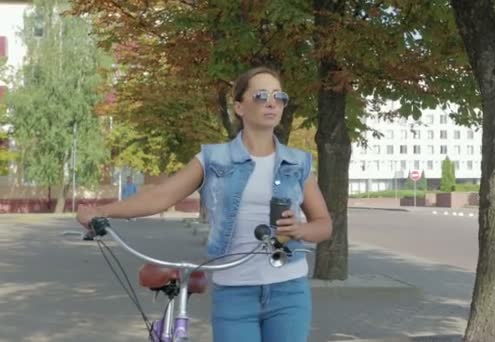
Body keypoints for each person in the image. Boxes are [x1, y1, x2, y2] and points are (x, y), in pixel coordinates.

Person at [77, 66, 333, 342]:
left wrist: (300, 230)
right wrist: (101, 212)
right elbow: (161, 196)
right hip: (234, 291)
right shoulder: (214, 159)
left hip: (288, 290)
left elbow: (324, 224)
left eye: (278, 96)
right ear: (239, 106)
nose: (272, 102)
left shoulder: (298, 162)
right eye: (260, 95)